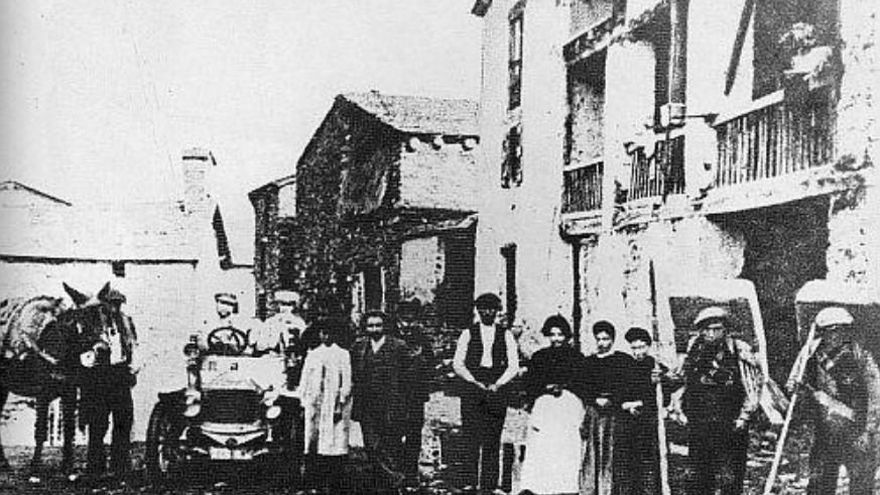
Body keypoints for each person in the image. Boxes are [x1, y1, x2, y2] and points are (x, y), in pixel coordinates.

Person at [787, 306, 880, 495]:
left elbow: (875, 395)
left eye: (842, 329)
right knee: (820, 482)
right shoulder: (811, 353)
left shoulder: (860, 355)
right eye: (832, 330)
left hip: (856, 428)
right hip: (824, 429)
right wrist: (799, 388)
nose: (837, 335)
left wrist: (868, 430)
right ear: (824, 332)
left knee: (861, 482)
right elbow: (794, 384)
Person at [678, 306, 761, 495]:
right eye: (706, 329)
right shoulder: (695, 349)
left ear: (725, 330)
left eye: (716, 329)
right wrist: (679, 408)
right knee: (698, 475)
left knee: (729, 475)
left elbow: (752, 386)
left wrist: (744, 417)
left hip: (730, 422)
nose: (711, 333)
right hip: (700, 422)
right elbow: (683, 380)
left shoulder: (739, 350)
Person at [452, 293, 520, 494]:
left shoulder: (505, 334)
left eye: (492, 309)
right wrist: (473, 382)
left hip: (497, 387)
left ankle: (489, 483)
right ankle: (469, 480)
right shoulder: (468, 333)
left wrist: (498, 384)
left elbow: (513, 365)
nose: (488, 312)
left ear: (497, 311)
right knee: (470, 435)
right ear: (478, 310)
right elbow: (458, 363)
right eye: (483, 308)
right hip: (473, 386)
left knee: (492, 435)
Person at [518, 315, 586, 495]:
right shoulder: (540, 357)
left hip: (568, 405)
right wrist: (544, 388)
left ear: (567, 336)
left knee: (566, 444)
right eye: (553, 334)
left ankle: (565, 486)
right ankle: (540, 486)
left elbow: (583, 383)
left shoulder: (576, 357)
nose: (556, 339)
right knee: (543, 444)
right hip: (546, 405)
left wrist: (564, 387)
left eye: (560, 335)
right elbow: (531, 384)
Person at [80, 288, 138, 481]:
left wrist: (132, 367)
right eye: (111, 304)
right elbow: (84, 350)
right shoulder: (93, 323)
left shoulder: (126, 322)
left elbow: (133, 345)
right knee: (98, 423)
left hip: (120, 375)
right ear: (104, 304)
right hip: (100, 376)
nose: (114, 307)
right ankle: (95, 467)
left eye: (118, 304)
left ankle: (120, 465)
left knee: (123, 420)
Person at [351, 310, 410, 488]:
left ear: (385, 326)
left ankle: (393, 479)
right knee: (371, 444)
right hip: (366, 402)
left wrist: (403, 402)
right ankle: (384, 480)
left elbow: (407, 378)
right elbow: (353, 373)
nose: (374, 329)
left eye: (378, 325)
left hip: (390, 403)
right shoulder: (359, 346)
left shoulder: (399, 346)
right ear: (365, 327)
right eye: (370, 325)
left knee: (391, 442)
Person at [298, 316, 352, 494]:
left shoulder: (342, 354)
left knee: (334, 443)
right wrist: (303, 402)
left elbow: (347, 383)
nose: (326, 336)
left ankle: (335, 483)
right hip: (314, 405)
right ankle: (314, 482)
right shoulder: (313, 354)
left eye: (330, 333)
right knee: (313, 442)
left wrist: (339, 405)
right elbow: (304, 380)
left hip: (333, 404)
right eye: (323, 332)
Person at [579, 321, 632, 495]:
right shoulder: (588, 362)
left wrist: (613, 401)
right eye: (599, 339)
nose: (602, 343)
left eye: (606, 339)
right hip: (595, 412)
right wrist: (594, 399)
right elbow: (583, 386)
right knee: (593, 451)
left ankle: (610, 489)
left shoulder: (622, 360)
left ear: (613, 339)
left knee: (613, 451)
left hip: (615, 413)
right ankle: (592, 488)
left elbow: (627, 385)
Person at [616, 327, 667, 495]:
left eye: (641, 347)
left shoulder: (656, 367)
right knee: (630, 461)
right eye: (634, 348)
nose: (638, 352)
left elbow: (663, 398)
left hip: (649, 422)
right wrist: (627, 405)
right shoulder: (626, 368)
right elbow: (620, 393)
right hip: (629, 422)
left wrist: (661, 381)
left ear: (649, 346)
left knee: (650, 460)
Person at [396, 298, 435, 486]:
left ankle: (411, 472)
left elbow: (430, 363)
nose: (408, 324)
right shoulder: (390, 336)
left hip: (415, 394)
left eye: (412, 319)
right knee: (394, 431)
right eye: (405, 319)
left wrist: (422, 366)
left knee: (413, 433)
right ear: (398, 318)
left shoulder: (421, 338)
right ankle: (394, 472)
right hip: (394, 394)